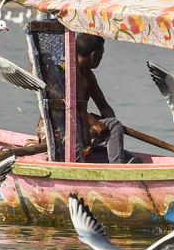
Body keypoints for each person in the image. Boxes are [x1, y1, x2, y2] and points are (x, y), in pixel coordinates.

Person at [38, 33, 135, 163]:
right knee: (76, 142)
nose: (101, 59)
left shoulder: (88, 76)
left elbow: (103, 105)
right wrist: (94, 123)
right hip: (58, 130)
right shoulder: (61, 72)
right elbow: (66, 104)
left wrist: (111, 129)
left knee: (114, 125)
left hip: (80, 128)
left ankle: (117, 166)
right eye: (101, 55)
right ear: (94, 55)